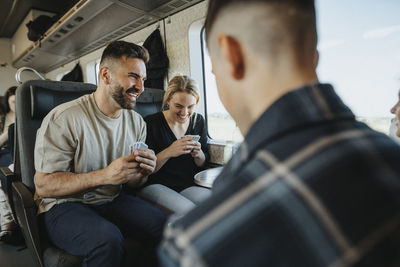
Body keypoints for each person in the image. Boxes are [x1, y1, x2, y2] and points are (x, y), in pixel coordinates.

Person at [158, 1, 400, 266]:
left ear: (231, 56)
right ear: (313, 54)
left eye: (214, 71)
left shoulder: (193, 244)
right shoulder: (390, 157)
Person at [34, 41, 167, 267]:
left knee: (166, 227)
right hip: (64, 205)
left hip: (112, 197)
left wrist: (143, 172)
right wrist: (105, 176)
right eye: (133, 76)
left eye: (143, 80)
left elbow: (134, 183)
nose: (141, 88)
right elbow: (44, 186)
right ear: (106, 75)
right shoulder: (65, 118)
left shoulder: (136, 122)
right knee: (107, 241)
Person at [142, 75, 210, 207]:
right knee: (188, 212)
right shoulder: (150, 123)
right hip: (156, 185)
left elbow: (202, 164)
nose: (184, 112)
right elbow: (145, 170)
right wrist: (170, 151)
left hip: (188, 185)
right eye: (179, 106)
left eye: (190, 106)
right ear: (168, 101)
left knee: (216, 205)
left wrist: (199, 154)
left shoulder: (198, 121)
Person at [0, 86, 16, 166]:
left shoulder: (27, 117)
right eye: (14, 102)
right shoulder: (2, 118)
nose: (17, 105)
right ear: (7, 101)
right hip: (5, 151)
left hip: (21, 151)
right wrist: (7, 134)